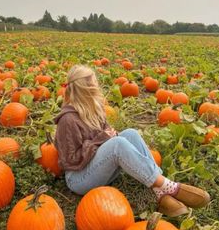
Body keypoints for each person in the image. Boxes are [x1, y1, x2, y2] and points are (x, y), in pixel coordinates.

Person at [54, 65, 210, 217]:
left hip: (98, 169)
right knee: (117, 144)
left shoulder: (94, 109)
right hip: (79, 179)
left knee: (130, 134)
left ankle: (160, 194)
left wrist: (109, 136)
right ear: (86, 91)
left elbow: (105, 135)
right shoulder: (68, 120)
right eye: (94, 85)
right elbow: (70, 160)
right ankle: (169, 187)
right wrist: (104, 139)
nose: (98, 88)